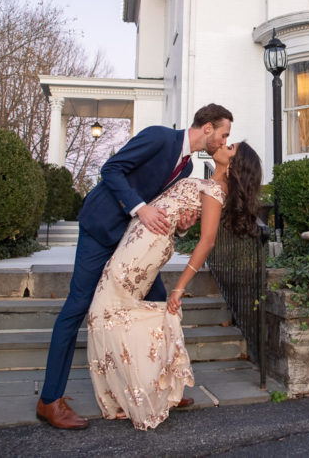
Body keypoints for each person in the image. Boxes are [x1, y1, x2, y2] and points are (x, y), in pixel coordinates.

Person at [36, 104, 234, 430]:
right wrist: (140, 209)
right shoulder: (159, 138)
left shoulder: (186, 169)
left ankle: (161, 389)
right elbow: (110, 169)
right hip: (101, 229)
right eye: (224, 133)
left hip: (133, 247)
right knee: (76, 307)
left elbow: (165, 210)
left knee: (158, 304)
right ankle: (49, 400)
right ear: (208, 128)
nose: (226, 140)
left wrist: (183, 224)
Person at [87, 141, 262, 430]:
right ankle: (143, 387)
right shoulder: (207, 183)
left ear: (233, 166)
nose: (223, 144)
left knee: (103, 312)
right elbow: (180, 217)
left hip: (146, 247)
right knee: (107, 312)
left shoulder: (216, 192)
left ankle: (141, 392)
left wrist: (179, 288)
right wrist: (182, 223)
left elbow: (207, 242)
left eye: (230, 147)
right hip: (139, 237)